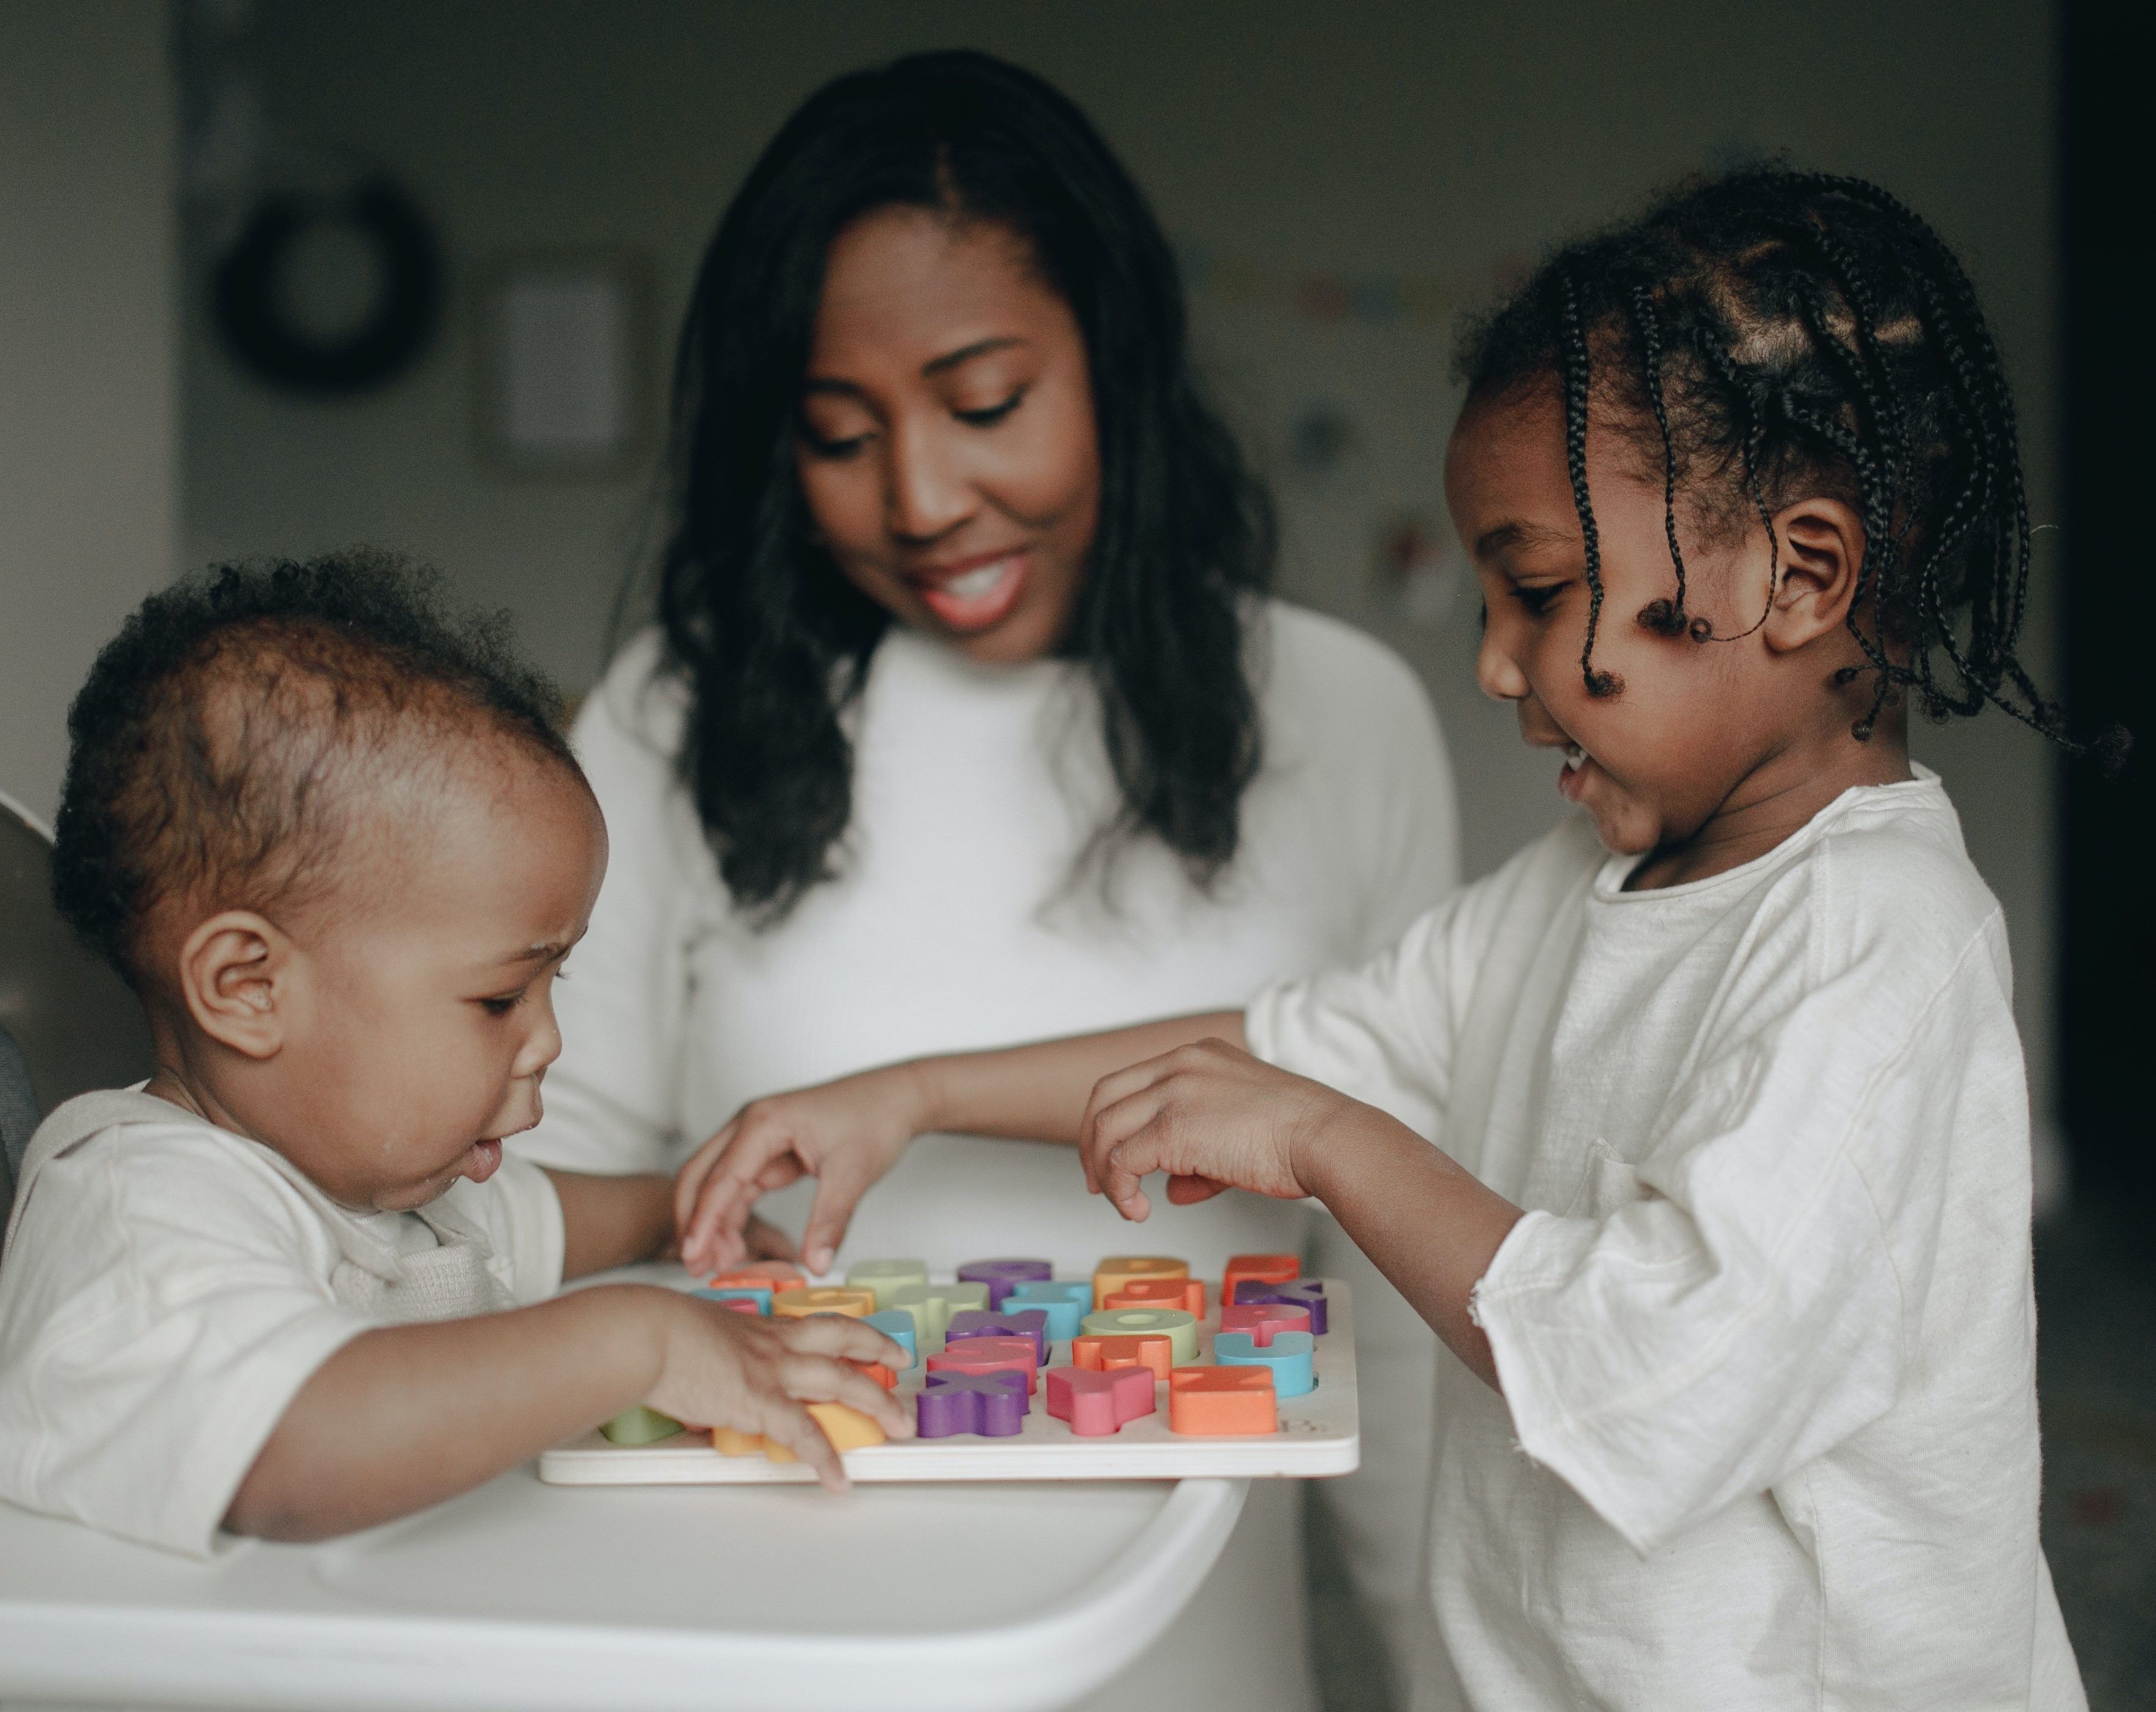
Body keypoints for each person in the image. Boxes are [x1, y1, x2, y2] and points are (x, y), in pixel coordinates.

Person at [676, 169, 2109, 1711]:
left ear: (1800, 575)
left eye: (1542, 592)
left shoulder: (1875, 947)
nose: (1495, 661)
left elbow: (1658, 1375)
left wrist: (1331, 1143)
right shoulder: (1578, 885)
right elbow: (1277, 1049)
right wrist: (904, 1092)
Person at [512, 51, 1458, 1702]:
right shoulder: (674, 714)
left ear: (1114, 358)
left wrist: (1436, 1670)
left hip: (1190, 1660)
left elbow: (1396, 1293)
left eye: (983, 404)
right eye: (836, 434)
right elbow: (534, 1213)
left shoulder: (1345, 716)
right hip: (746, 1635)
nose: (923, 501)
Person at [0, 555, 910, 1558]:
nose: (547, 1040)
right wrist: (639, 1338)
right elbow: (293, 1453)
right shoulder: (136, 1213)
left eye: (550, 985)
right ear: (248, 987)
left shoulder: (401, 1188)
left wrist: (688, 1212)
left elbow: (557, 1219)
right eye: (498, 997)